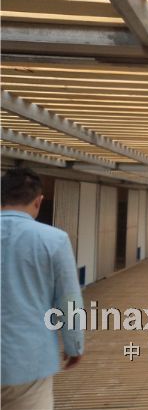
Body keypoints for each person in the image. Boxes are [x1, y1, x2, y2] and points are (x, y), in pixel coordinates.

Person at [1, 168, 84, 410]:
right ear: (38, 201)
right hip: (28, 360)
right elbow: (69, 299)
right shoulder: (54, 239)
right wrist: (74, 345)